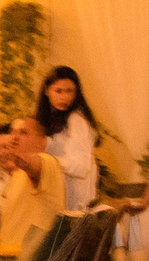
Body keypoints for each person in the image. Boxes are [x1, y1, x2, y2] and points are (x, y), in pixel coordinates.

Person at [0, 118, 66, 261]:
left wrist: (22, 159)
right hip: (5, 258)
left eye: (23, 132)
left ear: (42, 142)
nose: (15, 137)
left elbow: (34, 164)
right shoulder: (16, 175)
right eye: (13, 133)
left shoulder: (48, 162)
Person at [34, 67, 101, 212]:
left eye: (69, 91)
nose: (64, 97)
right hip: (53, 200)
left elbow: (81, 165)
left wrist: (47, 161)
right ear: (47, 91)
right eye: (58, 91)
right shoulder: (45, 120)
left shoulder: (77, 120)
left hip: (75, 204)